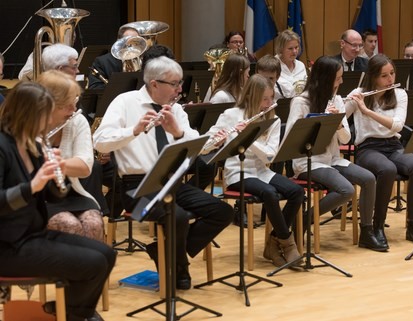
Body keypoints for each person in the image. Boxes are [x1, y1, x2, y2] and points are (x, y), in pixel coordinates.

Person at [93, 56, 233, 289]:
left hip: (172, 182)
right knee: (176, 216)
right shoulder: (125, 102)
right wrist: (134, 130)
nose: (180, 89)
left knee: (222, 212)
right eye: (175, 84)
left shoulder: (176, 109)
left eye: (180, 84)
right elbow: (100, 142)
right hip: (136, 191)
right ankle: (179, 267)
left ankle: (163, 252)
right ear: (154, 83)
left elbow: (193, 147)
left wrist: (178, 133)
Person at [0, 81, 116, 321]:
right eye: (46, 115)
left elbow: (53, 196)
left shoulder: (30, 144)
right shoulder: (3, 147)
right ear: (29, 115)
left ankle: (71, 312)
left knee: (106, 254)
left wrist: (55, 174)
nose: (50, 121)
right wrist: (32, 185)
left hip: (31, 234)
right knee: (92, 263)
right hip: (8, 245)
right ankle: (75, 315)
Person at [285, 56, 385, 252]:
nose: (341, 82)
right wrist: (317, 122)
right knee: (346, 190)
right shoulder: (300, 102)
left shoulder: (337, 100)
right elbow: (291, 139)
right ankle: (304, 221)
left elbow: (346, 139)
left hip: (332, 159)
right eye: (337, 78)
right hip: (308, 161)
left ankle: (367, 231)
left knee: (369, 178)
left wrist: (337, 123)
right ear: (324, 79)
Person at [205, 74, 304, 266]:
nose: (269, 103)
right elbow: (206, 146)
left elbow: (269, 156)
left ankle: (274, 242)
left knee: (296, 191)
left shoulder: (273, 119)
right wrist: (217, 140)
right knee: (270, 193)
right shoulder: (231, 116)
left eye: (271, 98)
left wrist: (248, 137)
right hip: (237, 172)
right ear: (251, 96)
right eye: (264, 99)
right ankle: (288, 244)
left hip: (262, 171)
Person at [345, 54, 413, 247]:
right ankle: (377, 226)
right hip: (368, 148)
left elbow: (397, 126)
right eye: (384, 76)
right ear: (373, 77)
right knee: (387, 170)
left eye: (392, 74)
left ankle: (412, 226)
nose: (390, 79)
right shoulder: (359, 93)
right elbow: (340, 115)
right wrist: (339, 106)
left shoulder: (400, 94)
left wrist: (366, 111)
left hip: (393, 145)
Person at [37, 70, 104, 242]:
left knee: (94, 223)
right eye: (67, 104)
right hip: (38, 197)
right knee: (69, 225)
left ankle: (92, 267)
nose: (73, 109)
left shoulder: (77, 121)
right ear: (48, 104)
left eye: (74, 101)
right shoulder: (29, 125)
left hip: (72, 191)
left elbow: (85, 166)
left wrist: (58, 163)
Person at [275, 29, 308, 99]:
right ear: (281, 49)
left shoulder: (301, 65)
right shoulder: (272, 66)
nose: (294, 51)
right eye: (290, 48)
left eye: (296, 47)